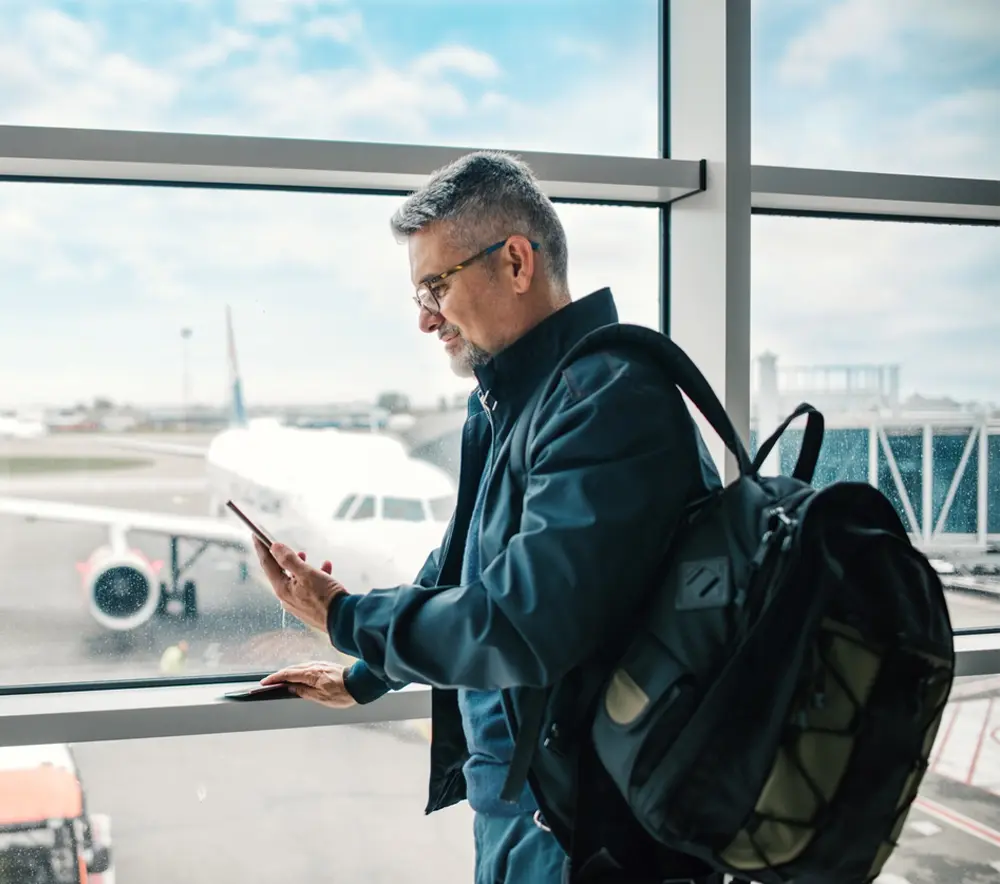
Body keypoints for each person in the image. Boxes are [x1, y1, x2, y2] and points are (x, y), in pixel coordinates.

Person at [253, 151, 722, 883]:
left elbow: (520, 625)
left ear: (514, 262)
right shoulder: (513, 403)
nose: (423, 318)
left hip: (589, 832)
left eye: (435, 285)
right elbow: (457, 569)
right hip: (525, 808)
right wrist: (367, 672)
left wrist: (347, 615)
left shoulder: (607, 400)